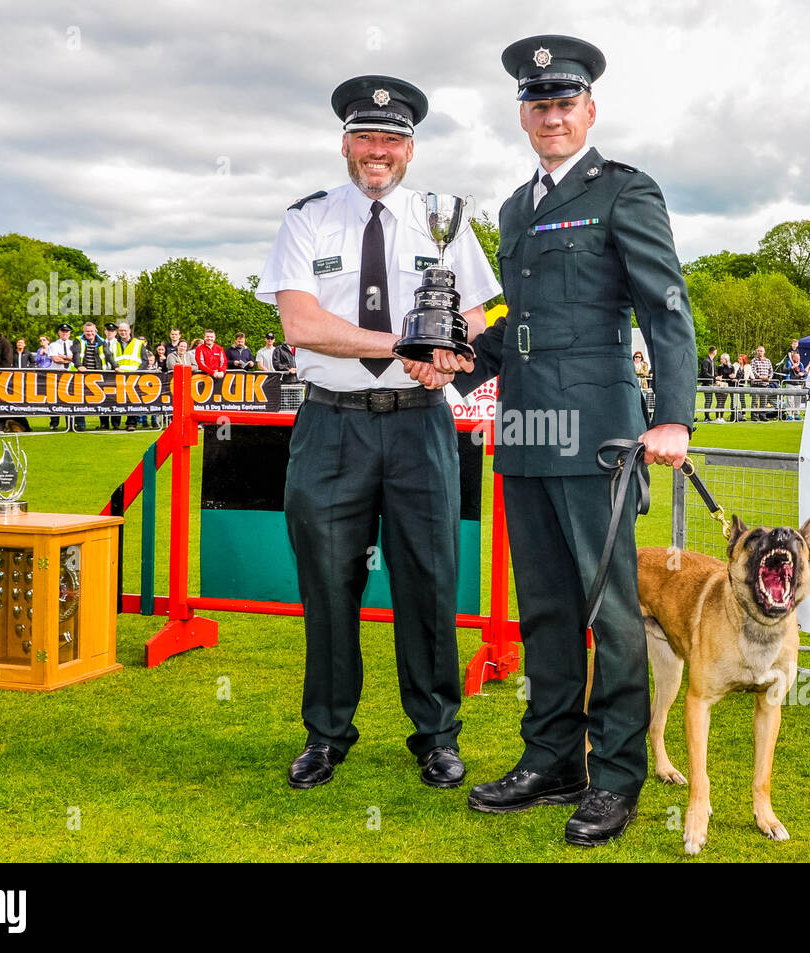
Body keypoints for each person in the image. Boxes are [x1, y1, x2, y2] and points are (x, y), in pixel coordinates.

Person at [446, 36, 695, 847]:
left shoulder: (625, 190)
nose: (551, 115)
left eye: (564, 102)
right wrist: (451, 367)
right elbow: (517, 323)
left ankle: (617, 772)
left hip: (598, 437)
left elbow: (665, 308)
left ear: (589, 110)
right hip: (522, 431)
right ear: (522, 115)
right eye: (538, 103)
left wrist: (675, 414)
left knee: (612, 612)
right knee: (546, 609)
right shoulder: (515, 209)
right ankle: (553, 760)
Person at [256, 73, 500, 794]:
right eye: (366, 136)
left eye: (392, 139)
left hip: (421, 425)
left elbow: (481, 315)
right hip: (331, 424)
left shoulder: (443, 217)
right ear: (345, 144)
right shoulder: (306, 219)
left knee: (428, 581)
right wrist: (404, 344)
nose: (378, 150)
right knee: (328, 585)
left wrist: (451, 356)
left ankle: (436, 737)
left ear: (410, 149)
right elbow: (299, 322)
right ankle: (326, 735)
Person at [70, 321, 117, 430]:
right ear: (84, 331)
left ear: (95, 331)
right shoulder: (78, 341)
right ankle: (80, 425)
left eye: (91, 331)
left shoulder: (102, 342)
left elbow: (108, 354)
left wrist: (115, 366)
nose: (89, 333)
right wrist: (79, 365)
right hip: (81, 375)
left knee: (103, 400)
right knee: (79, 400)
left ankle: (104, 424)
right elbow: (76, 355)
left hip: (98, 376)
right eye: (87, 331)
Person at [109, 322, 146, 430]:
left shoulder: (139, 343)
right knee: (116, 399)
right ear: (118, 332)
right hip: (117, 376)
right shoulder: (113, 343)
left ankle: (131, 423)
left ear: (129, 331)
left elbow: (144, 360)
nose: (123, 332)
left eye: (125, 330)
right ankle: (115, 424)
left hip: (133, 377)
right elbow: (110, 359)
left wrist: (139, 373)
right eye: (121, 331)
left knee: (132, 400)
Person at [47, 322, 76, 431]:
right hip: (57, 375)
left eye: (67, 332)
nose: (65, 333)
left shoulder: (74, 344)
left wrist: (63, 357)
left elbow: (76, 358)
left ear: (70, 333)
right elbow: (55, 359)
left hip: (70, 375)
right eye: (63, 331)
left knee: (71, 399)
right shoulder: (53, 345)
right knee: (55, 400)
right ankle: (54, 423)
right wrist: (68, 358)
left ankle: (70, 423)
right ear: (59, 332)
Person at [751, 344, 774, 420]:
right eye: (758, 351)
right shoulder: (754, 360)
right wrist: (760, 377)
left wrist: (769, 377)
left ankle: (762, 416)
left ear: (764, 352)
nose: (759, 352)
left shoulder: (768, 361)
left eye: (761, 351)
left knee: (763, 402)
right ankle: (754, 416)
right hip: (756, 384)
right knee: (754, 401)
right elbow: (753, 371)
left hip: (765, 385)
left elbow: (771, 370)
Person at [699, 345, 718, 421]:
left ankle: (707, 416)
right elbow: (705, 373)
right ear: (713, 352)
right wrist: (714, 377)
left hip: (711, 383)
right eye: (716, 351)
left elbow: (714, 372)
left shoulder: (713, 361)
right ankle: (706, 417)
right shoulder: (706, 361)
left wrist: (718, 377)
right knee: (708, 400)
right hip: (707, 383)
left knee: (710, 400)